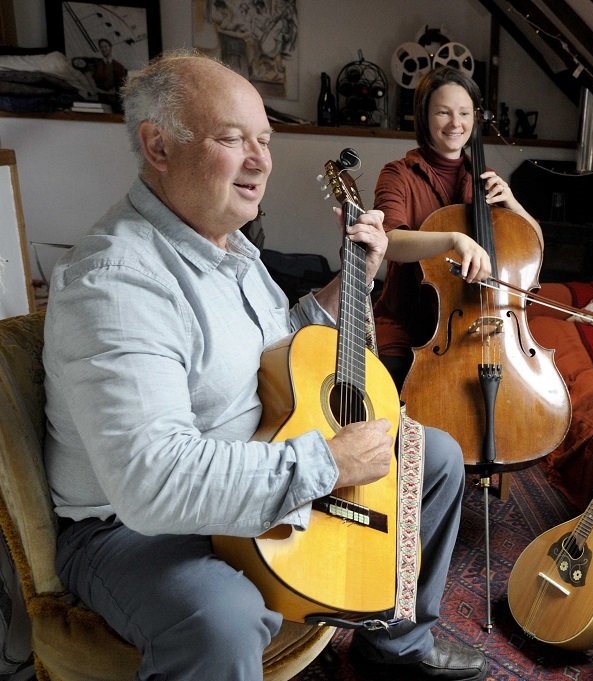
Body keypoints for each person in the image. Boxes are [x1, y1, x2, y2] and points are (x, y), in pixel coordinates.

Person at [42, 50, 487, 681]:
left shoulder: (232, 248)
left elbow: (280, 346)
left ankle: (396, 647)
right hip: (135, 529)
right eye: (232, 140)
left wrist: (352, 281)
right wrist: (329, 464)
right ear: (158, 146)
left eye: (265, 140)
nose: (261, 161)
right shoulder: (116, 282)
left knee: (433, 457)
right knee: (221, 615)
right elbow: (152, 483)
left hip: (256, 450)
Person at [372, 65, 543, 388]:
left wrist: (512, 203)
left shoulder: (485, 178)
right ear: (424, 116)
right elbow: (389, 242)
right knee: (390, 398)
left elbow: (533, 247)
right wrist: (454, 239)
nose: (456, 124)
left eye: (465, 113)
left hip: (472, 328)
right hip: (407, 326)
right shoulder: (398, 174)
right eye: (443, 113)